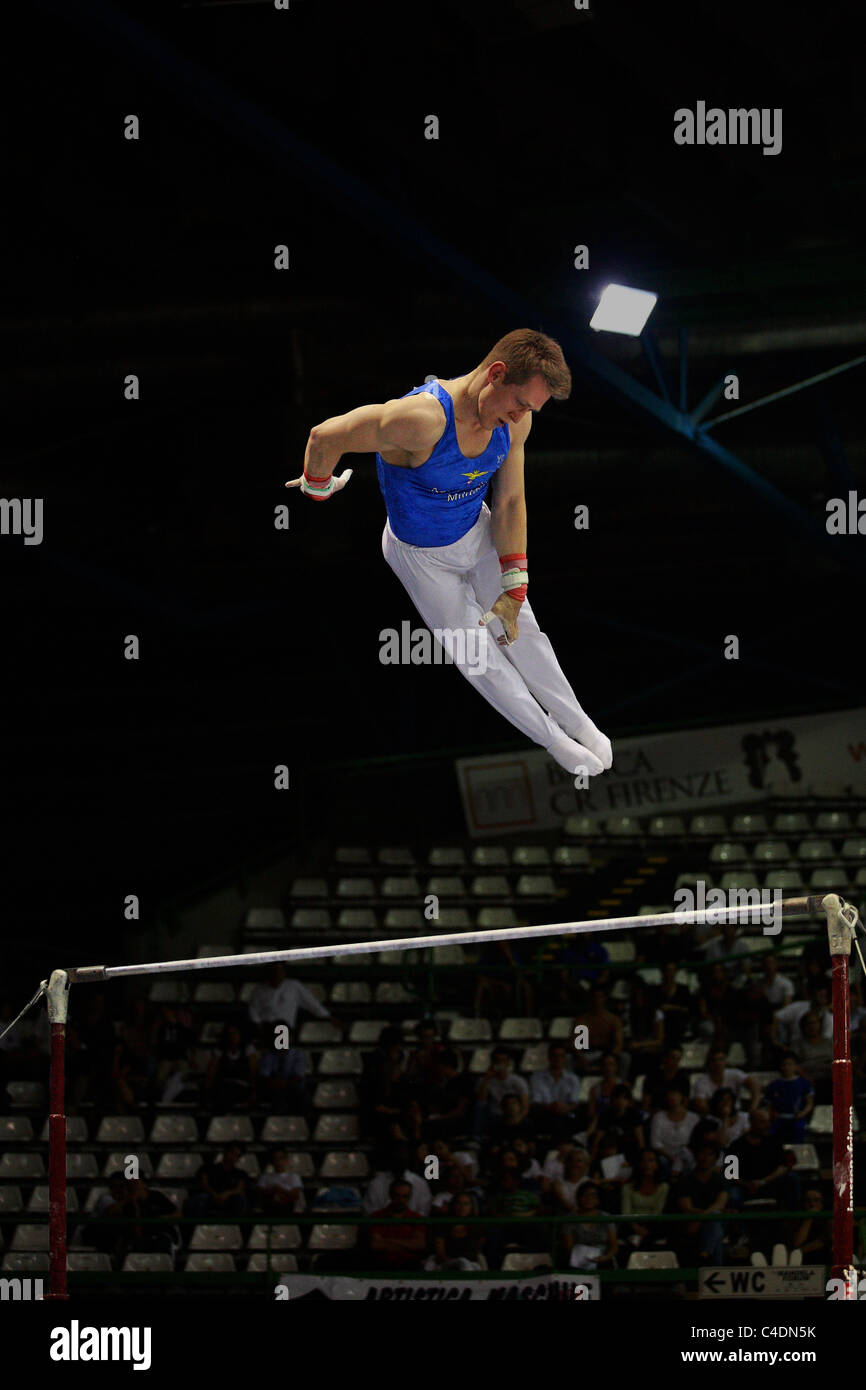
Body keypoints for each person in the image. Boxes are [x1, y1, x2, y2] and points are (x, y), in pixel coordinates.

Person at [286, 329, 612, 777]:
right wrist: (318, 485)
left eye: (530, 410)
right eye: (519, 403)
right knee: (478, 655)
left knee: (522, 628)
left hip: (476, 533)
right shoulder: (421, 419)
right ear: (496, 374)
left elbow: (511, 500)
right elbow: (324, 435)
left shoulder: (517, 422)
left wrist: (515, 586)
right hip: (421, 558)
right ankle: (552, 738)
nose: (521, 416)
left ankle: (580, 722)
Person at [674, 1142, 729, 1266]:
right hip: (691, 1223)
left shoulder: (720, 1180)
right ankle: (715, 1268)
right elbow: (687, 1207)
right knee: (716, 1231)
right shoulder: (686, 1180)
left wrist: (703, 1217)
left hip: (705, 1221)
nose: (705, 1158)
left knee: (715, 1221)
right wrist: (705, 1216)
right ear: (696, 1156)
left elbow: (721, 1203)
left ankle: (706, 1252)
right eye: (702, 1154)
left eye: (709, 1154)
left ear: (715, 1159)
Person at [368, 1179, 427, 1270]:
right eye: (397, 1196)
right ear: (390, 1195)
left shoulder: (416, 1218)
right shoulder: (377, 1216)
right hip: (382, 1267)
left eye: (405, 1196)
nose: (401, 1200)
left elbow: (419, 1244)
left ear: (410, 1197)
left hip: (410, 1267)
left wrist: (387, 1240)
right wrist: (408, 1244)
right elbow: (376, 1244)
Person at [529, 1043, 583, 1141]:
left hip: (565, 1114)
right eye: (554, 1055)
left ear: (565, 1058)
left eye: (561, 1056)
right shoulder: (537, 1077)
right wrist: (551, 1106)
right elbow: (536, 1102)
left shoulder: (573, 1079)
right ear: (549, 1057)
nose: (557, 1059)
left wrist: (565, 1107)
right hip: (545, 1114)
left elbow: (574, 1102)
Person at [621, 1149, 670, 1252]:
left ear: (657, 1164)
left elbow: (658, 1212)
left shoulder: (664, 1187)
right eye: (643, 1161)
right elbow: (626, 1213)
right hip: (631, 1225)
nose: (647, 1164)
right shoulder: (628, 1187)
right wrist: (636, 1228)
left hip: (653, 1226)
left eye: (651, 1160)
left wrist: (646, 1231)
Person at [562, 1183, 618, 1271]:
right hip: (577, 1260)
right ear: (579, 1198)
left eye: (593, 1195)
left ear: (599, 1199)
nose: (589, 1199)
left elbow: (614, 1245)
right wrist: (578, 1259)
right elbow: (568, 1247)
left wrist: (605, 1257)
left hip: (602, 1259)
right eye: (585, 1195)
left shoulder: (606, 1217)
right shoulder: (570, 1219)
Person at [691, 1047, 758, 1116]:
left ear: (725, 1061)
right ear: (708, 1063)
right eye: (714, 1060)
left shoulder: (735, 1073)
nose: (718, 1063)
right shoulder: (701, 1082)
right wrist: (721, 1115)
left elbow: (755, 1087)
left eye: (720, 1059)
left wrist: (753, 1107)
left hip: (736, 1113)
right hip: (714, 1116)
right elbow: (701, 1105)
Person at [763, 1052, 814, 1142]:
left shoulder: (803, 1083)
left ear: (796, 1066)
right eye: (784, 1064)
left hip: (797, 1118)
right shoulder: (774, 1085)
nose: (787, 1067)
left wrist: (802, 1114)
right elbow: (768, 1105)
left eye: (790, 1064)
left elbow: (809, 1103)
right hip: (778, 1119)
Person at [427, 1191, 485, 1271]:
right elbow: (440, 1252)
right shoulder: (443, 1224)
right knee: (462, 1263)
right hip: (447, 1263)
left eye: (466, 1204)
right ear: (453, 1205)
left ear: (471, 1207)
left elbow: (478, 1249)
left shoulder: (477, 1226)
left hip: (471, 1264)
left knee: (469, 1265)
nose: (462, 1207)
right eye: (459, 1203)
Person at [256, 1147, 306, 1214]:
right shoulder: (264, 1177)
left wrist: (279, 1190)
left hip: (288, 1206)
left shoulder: (294, 1176)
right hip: (269, 1206)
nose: (278, 1162)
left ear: (286, 1160)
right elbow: (260, 1193)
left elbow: (295, 1195)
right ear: (271, 1161)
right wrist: (273, 1192)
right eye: (275, 1159)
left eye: (281, 1158)